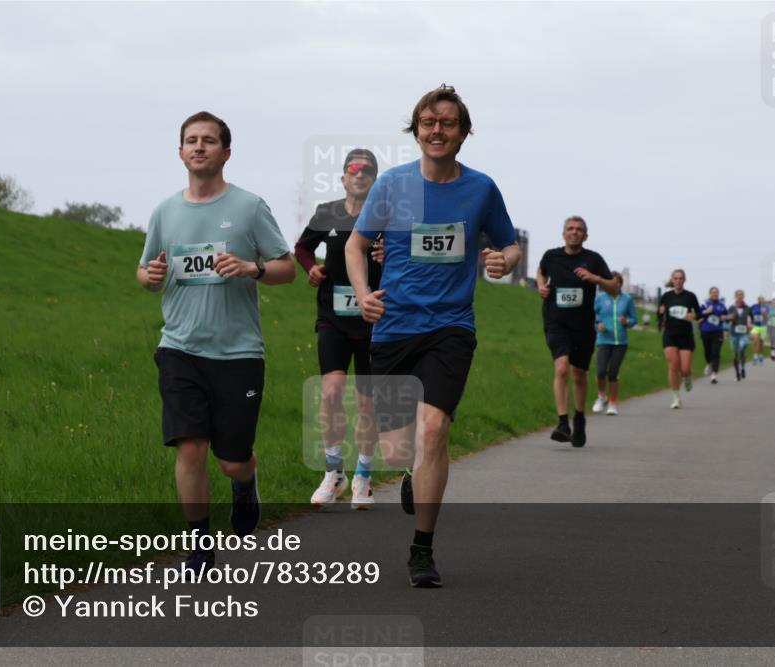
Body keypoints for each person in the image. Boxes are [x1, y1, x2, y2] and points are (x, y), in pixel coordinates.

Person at [345, 84, 520, 588]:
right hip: (394, 326)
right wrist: (362, 293)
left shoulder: (482, 189)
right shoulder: (392, 186)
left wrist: (500, 261)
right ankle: (407, 474)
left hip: (450, 326)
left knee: (435, 429)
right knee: (401, 444)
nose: (436, 130)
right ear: (416, 131)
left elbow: (509, 248)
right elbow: (357, 247)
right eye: (428, 122)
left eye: (447, 123)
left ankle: (422, 548)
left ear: (463, 133)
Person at [137, 111, 296, 573]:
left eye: (209, 140)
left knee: (231, 461)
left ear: (226, 152)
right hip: (180, 347)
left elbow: (288, 268)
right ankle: (199, 544)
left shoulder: (248, 207)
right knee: (190, 447)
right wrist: (150, 276)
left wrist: (252, 268)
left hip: (238, 353)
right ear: (181, 152)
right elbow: (145, 271)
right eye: (191, 140)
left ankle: (245, 485)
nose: (199, 147)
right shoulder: (165, 212)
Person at [295, 149, 383, 509]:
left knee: (367, 403)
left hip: (373, 319)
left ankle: (363, 476)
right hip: (332, 315)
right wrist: (311, 268)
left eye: (367, 171)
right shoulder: (326, 213)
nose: (359, 175)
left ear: (375, 180)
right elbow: (302, 247)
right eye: (353, 169)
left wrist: (388, 255)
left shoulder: (387, 217)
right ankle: (334, 472)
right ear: (343, 178)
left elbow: (408, 260)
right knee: (331, 391)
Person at [537, 217, 618, 444]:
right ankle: (563, 423)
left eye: (579, 230)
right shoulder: (551, 256)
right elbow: (540, 272)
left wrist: (596, 278)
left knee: (579, 374)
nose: (574, 232)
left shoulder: (593, 259)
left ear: (585, 235)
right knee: (562, 368)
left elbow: (614, 287)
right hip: (556, 322)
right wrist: (541, 286)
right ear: (563, 234)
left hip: (583, 326)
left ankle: (579, 418)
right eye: (570, 229)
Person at [592, 271, 637, 415]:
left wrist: (627, 322)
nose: (614, 284)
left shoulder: (627, 299)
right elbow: (592, 317)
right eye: (611, 281)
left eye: (617, 282)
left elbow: (634, 319)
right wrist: (597, 325)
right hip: (604, 340)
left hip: (620, 342)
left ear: (621, 284)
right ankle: (601, 397)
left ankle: (612, 404)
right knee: (600, 372)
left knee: (613, 373)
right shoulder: (600, 298)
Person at [658, 269, 701, 409]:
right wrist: (660, 314)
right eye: (675, 278)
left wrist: (693, 317)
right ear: (672, 280)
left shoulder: (690, 296)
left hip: (686, 336)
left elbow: (699, 314)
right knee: (673, 366)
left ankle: (687, 377)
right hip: (670, 335)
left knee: (685, 369)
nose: (678, 281)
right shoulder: (666, 296)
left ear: (684, 280)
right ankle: (676, 398)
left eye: (680, 278)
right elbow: (659, 314)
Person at [699, 287, 728, 385]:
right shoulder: (704, 304)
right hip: (706, 331)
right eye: (713, 292)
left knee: (716, 352)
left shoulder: (722, 305)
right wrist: (706, 312)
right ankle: (709, 363)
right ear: (709, 294)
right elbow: (698, 315)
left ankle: (714, 375)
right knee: (707, 352)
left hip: (718, 331)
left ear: (718, 294)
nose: (715, 294)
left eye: (716, 292)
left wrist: (725, 318)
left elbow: (726, 316)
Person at [726, 289, 753, 381]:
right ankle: (737, 374)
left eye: (741, 295)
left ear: (743, 296)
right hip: (734, 334)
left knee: (742, 350)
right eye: (738, 295)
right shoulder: (731, 308)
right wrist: (729, 317)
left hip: (744, 334)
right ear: (735, 297)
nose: (740, 297)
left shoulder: (748, 308)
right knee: (735, 354)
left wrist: (750, 324)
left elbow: (751, 318)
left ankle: (743, 368)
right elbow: (727, 320)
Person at [750, 296, 768, 365]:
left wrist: (765, 314)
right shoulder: (754, 306)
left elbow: (767, 318)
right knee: (755, 340)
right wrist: (750, 322)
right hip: (756, 326)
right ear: (758, 299)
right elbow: (749, 314)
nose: (761, 300)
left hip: (763, 327)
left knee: (761, 343)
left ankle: (760, 355)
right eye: (760, 299)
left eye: (762, 299)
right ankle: (755, 357)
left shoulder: (766, 307)